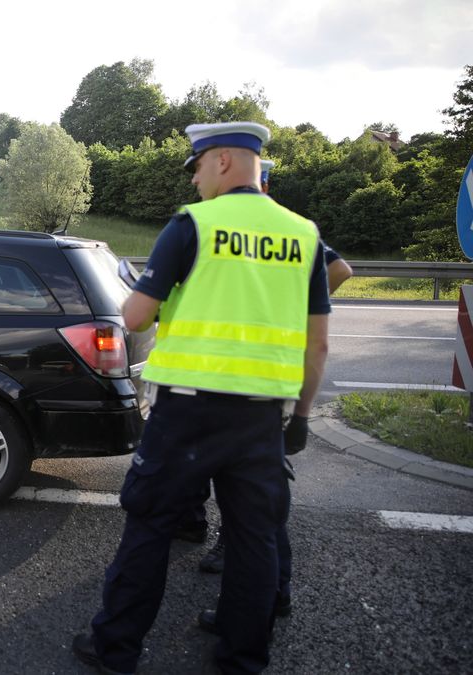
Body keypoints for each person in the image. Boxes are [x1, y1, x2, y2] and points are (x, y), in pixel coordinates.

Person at [72, 122, 330, 674]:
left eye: (196, 168)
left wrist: (160, 296)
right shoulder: (304, 235)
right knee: (254, 540)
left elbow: (137, 315)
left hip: (186, 414)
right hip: (262, 418)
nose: (194, 182)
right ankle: (241, 658)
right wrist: (301, 417)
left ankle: (115, 649)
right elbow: (318, 344)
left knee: (150, 526)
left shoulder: (196, 225)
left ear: (221, 162)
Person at [196, 160, 352, 589]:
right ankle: (268, 585)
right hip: (256, 375)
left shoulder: (280, 230)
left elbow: (340, 270)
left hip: (263, 378)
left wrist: (300, 306)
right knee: (257, 484)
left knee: (255, 487)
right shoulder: (275, 230)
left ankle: (253, 571)